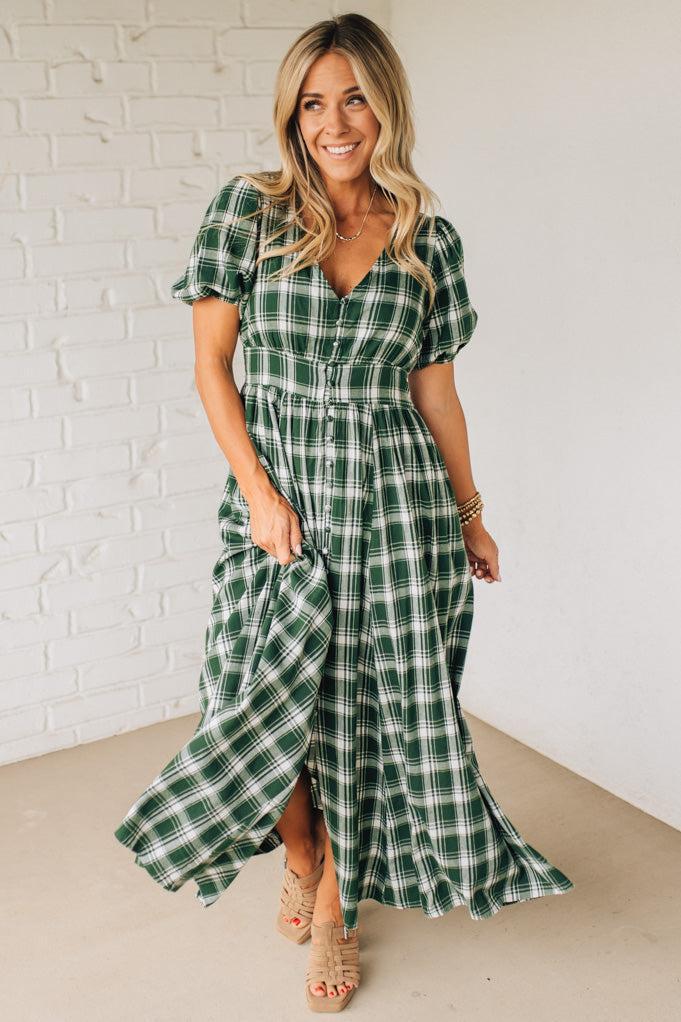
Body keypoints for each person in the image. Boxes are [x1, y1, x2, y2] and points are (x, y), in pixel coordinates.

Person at [114, 12, 574, 1013]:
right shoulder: (248, 212)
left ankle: (334, 908)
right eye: (314, 102)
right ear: (292, 114)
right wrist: (259, 493)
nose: (336, 121)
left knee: (362, 711)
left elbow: (437, 394)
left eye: (355, 97)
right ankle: (307, 842)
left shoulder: (426, 237)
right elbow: (211, 367)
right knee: (253, 691)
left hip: (399, 507)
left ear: (386, 108)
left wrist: (470, 512)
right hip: (282, 501)